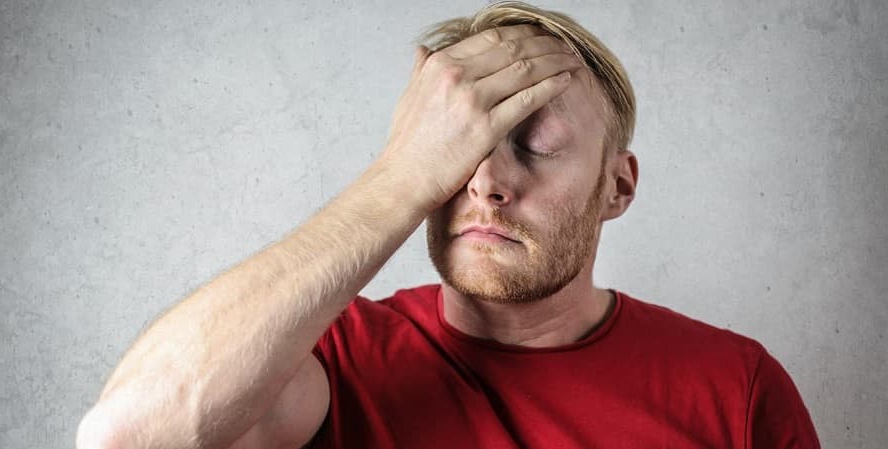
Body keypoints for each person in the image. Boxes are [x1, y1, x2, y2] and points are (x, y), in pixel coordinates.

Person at [76, 2, 820, 448]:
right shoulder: (330, 358)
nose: (487, 181)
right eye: (457, 150)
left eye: (537, 144)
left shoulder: (736, 388)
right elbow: (122, 436)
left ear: (617, 187)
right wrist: (399, 178)